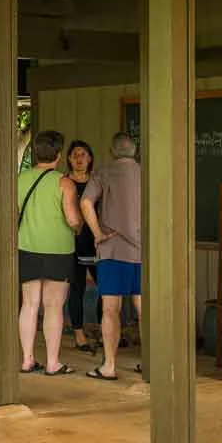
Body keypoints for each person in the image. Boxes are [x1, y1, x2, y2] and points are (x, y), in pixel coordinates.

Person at [17, 130, 83, 377]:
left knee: (29, 304)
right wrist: (80, 227)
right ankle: (53, 362)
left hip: (27, 246)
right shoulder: (64, 183)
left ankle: (27, 359)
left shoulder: (20, 179)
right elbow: (73, 219)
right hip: (58, 249)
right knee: (53, 306)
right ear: (58, 155)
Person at [80, 131, 142, 380]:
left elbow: (86, 203)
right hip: (144, 250)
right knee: (143, 308)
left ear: (112, 151)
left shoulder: (103, 173)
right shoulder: (146, 173)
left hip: (113, 250)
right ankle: (149, 363)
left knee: (110, 309)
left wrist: (97, 233)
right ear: (135, 151)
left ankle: (109, 366)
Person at [64, 140, 98, 354]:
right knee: (76, 289)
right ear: (68, 158)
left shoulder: (98, 182)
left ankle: (106, 331)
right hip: (71, 242)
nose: (79, 158)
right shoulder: (64, 183)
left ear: (90, 158)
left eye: (83, 154)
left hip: (96, 242)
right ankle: (78, 334)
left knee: (106, 288)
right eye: (75, 154)